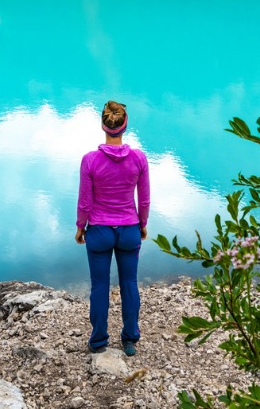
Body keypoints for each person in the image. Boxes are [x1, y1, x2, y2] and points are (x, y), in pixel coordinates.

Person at [76, 101, 150, 357]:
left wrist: (79, 227)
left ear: (102, 125)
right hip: (129, 228)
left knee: (99, 286)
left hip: (99, 231)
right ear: (125, 125)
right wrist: (142, 224)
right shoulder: (139, 158)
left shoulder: (90, 160)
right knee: (130, 283)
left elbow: (85, 200)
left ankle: (98, 341)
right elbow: (145, 198)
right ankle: (129, 340)